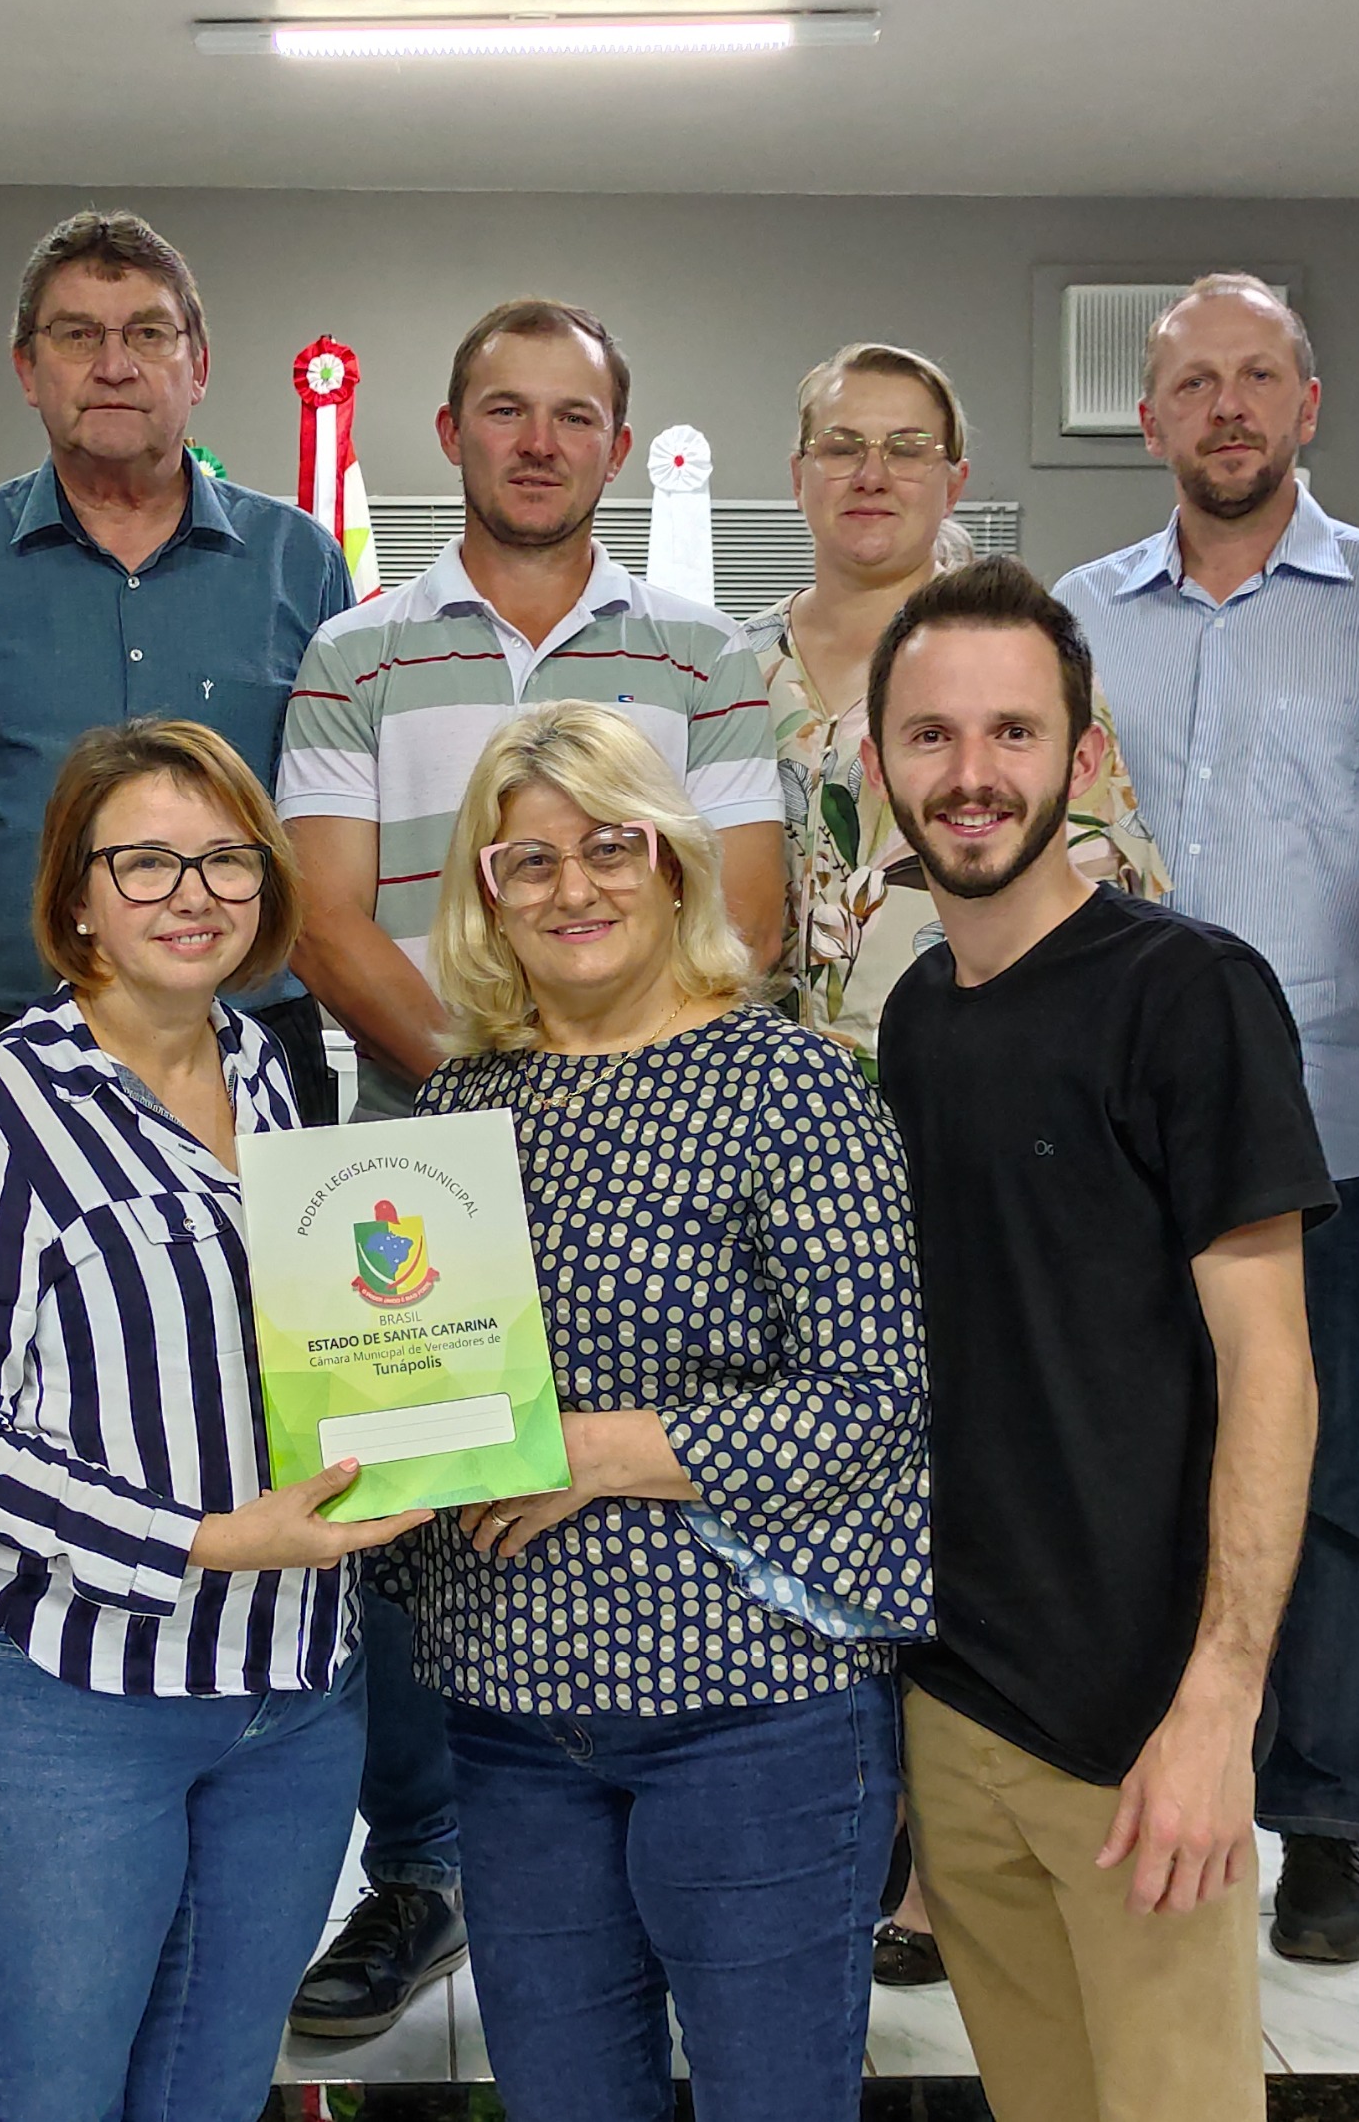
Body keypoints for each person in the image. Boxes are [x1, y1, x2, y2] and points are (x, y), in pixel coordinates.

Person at [270, 296, 787, 2037]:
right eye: (506, 409)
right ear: (450, 435)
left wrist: (601, 1106)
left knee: (635, 1478)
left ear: (619, 447)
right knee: (419, 1515)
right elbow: (327, 919)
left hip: (671, 1158)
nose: (540, 441)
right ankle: (424, 1873)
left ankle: (656, 1859)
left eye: (575, 415)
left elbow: (749, 909)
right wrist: (497, 1099)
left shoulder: (708, 654)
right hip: (424, 1166)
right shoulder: (355, 650)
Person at [374, 700, 931, 2120]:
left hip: (751, 1708)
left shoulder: (789, 1085)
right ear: (487, 895)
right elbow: (413, 1383)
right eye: (529, 860)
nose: (574, 887)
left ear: (673, 862)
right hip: (510, 1712)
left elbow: (872, 1398)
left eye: (609, 847)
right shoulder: (456, 1107)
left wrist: (593, 1451)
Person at [0, 719, 431, 2120]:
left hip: (291, 1699)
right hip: (67, 1705)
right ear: (75, 897)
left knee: (213, 2089)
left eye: (225, 859)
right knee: (59, 2096)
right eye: (144, 862)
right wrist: (204, 1537)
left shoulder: (268, 1069)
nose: (192, 894)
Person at [1051, 272, 1359, 1962]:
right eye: (1192, 383)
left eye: (1257, 378)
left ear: (1307, 405)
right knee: (1113, 1477)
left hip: (1332, 1129)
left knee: (1314, 1479)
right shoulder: (1081, 615)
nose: (1225, 408)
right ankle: (1127, 1783)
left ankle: (1325, 1820)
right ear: (1148, 418)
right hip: (1113, 1139)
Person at [871, 558, 1330, 2122]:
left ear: (1083, 754)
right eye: (932, 735)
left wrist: (1219, 1709)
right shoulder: (919, 1015)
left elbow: (1273, 1370)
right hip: (958, 1705)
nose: (972, 772)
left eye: (1013, 731)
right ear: (878, 763)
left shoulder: (1188, 994)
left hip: (1141, 1733)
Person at [0, 211, 358, 1122]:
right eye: (78, 335)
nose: (115, 365)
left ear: (199, 365)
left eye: (149, 333)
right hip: (5, 1032)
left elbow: (332, 812)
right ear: (27, 369)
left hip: (255, 1035)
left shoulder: (299, 561)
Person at [760, 341, 1166, 1069]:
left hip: (979, 1079)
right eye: (842, 447)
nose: (872, 475)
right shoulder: (731, 670)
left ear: (954, 484)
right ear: (798, 476)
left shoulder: (1023, 659)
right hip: (767, 1106)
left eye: (908, 449)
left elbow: (1109, 895)